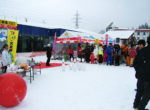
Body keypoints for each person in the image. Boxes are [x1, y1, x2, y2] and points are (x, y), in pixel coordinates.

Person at [133, 36, 150, 110]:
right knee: (147, 94)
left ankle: (135, 105)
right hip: (148, 77)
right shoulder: (142, 50)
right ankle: (141, 108)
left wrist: (139, 71)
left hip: (141, 76)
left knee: (139, 91)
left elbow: (135, 63)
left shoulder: (142, 51)